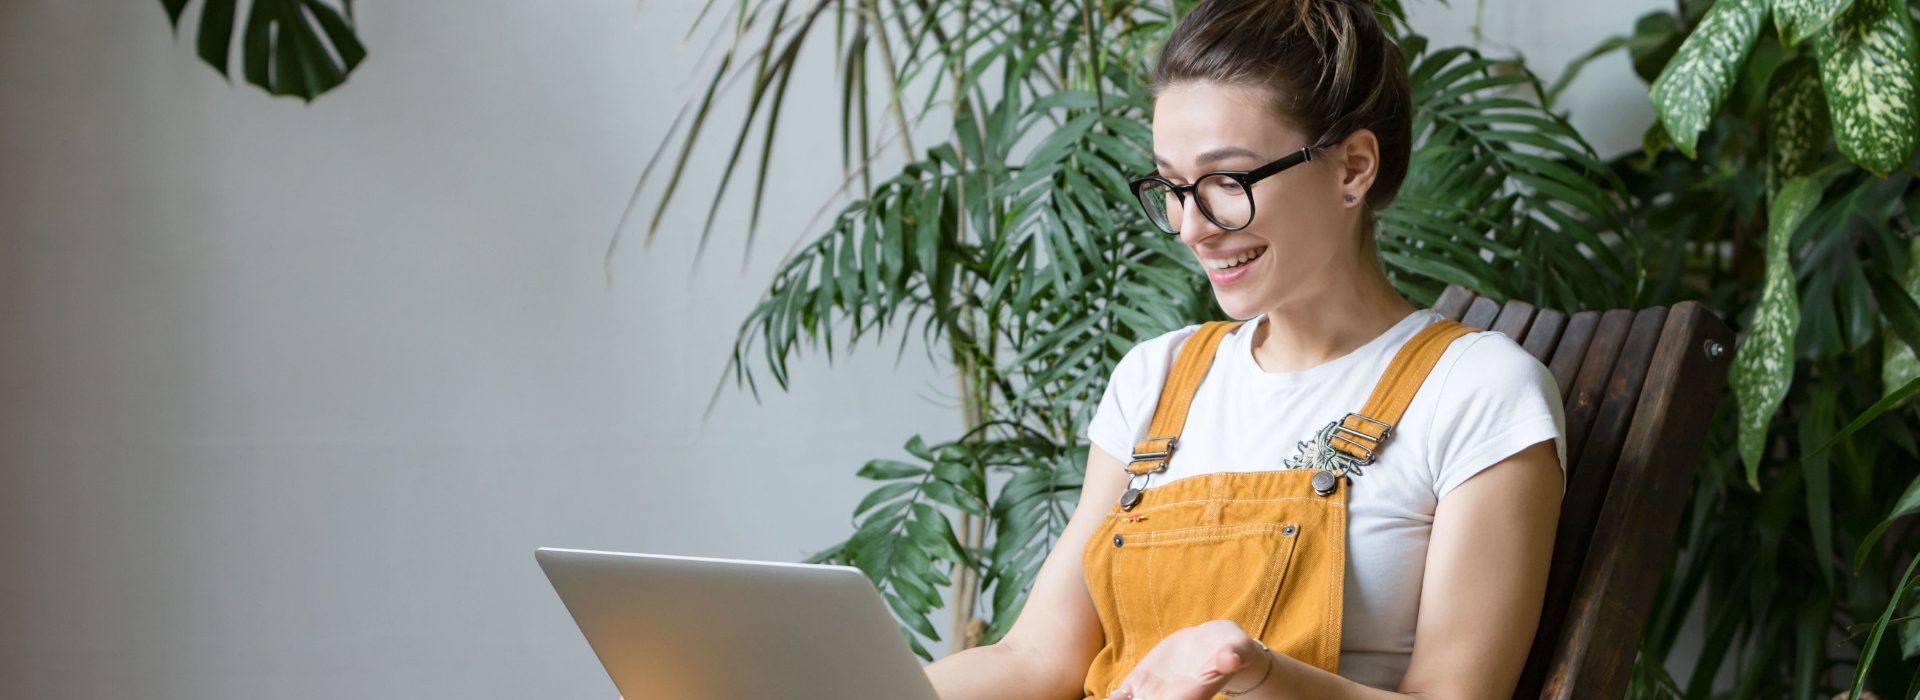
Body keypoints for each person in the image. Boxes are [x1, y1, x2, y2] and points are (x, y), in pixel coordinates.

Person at [923, 0, 1566, 698]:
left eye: (1226, 181)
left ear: (1352, 168)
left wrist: (1258, 672)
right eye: (1171, 186)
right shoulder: (1156, 379)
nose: (1192, 228)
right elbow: (1035, 660)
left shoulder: (1477, 392)